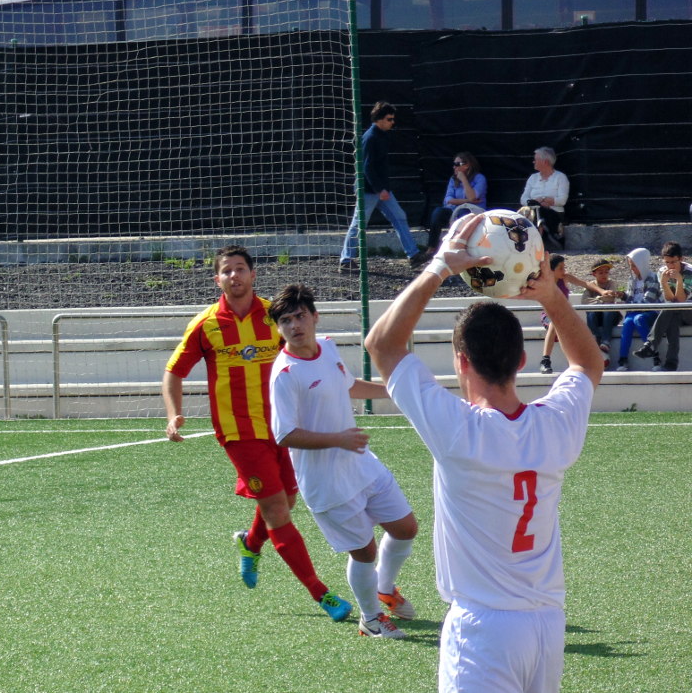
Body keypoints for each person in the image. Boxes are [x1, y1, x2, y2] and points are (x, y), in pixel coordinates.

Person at [364, 213, 603, 693]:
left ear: (461, 361)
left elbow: (382, 345)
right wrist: (551, 295)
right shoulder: (555, 424)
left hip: (483, 629)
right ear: (522, 360)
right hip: (547, 624)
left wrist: (439, 267)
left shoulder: (460, 431)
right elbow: (589, 363)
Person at [162, 245, 352, 621]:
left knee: (284, 502)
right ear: (217, 279)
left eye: (240, 269)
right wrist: (173, 414)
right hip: (239, 432)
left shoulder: (274, 315)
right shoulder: (205, 325)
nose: (234, 275)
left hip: (284, 427)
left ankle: (250, 543)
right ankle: (322, 594)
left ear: (252, 274)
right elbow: (174, 371)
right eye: (227, 271)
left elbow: (303, 353)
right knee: (278, 510)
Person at [268, 283, 418, 639]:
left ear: (315, 316)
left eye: (300, 316)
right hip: (327, 483)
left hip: (361, 465)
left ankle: (384, 588)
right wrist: (338, 439)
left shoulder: (328, 346)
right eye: (285, 321)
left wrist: (394, 391)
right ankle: (371, 619)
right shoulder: (284, 374)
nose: (294, 325)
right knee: (364, 551)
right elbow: (284, 434)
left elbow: (347, 385)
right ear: (278, 328)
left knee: (405, 528)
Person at [339, 101, 426, 274]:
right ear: (379, 119)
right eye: (389, 119)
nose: (392, 122)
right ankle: (346, 260)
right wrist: (380, 189)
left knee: (400, 217)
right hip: (369, 190)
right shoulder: (371, 138)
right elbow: (367, 167)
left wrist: (383, 189)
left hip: (381, 190)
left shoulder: (381, 135)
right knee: (359, 224)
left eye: (392, 119)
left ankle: (413, 255)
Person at [539, 254, 605, 374]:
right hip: (549, 315)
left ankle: (584, 361)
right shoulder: (546, 283)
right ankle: (545, 360)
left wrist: (602, 291)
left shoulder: (565, 278)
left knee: (579, 327)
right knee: (555, 323)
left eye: (564, 267)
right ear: (551, 270)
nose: (564, 271)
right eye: (561, 268)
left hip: (565, 315)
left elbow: (586, 284)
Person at [633, 240, 692, 371]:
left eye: (673, 262)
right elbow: (669, 299)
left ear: (681, 259)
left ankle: (650, 345)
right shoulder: (662, 271)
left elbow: (681, 300)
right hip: (675, 311)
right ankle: (671, 364)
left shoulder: (689, 272)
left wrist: (679, 280)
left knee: (672, 308)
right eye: (667, 262)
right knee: (672, 317)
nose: (670, 266)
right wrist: (664, 283)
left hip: (689, 310)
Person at [424, 151, 487, 255]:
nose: (454, 167)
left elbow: (473, 196)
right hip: (454, 210)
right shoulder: (453, 179)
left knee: (463, 212)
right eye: (454, 164)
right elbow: (448, 199)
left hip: (473, 211)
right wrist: (467, 201)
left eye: (457, 164)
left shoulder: (479, 178)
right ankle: (432, 247)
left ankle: (459, 248)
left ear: (467, 165)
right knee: (438, 212)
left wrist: (464, 179)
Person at [615, 248, 662, 372]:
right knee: (627, 323)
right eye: (630, 265)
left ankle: (655, 356)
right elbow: (630, 298)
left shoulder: (653, 278)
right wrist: (623, 296)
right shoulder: (632, 279)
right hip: (634, 310)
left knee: (639, 319)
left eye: (634, 266)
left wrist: (630, 305)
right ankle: (623, 359)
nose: (632, 269)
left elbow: (648, 302)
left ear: (642, 264)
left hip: (650, 311)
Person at [519, 146, 569, 249]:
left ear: (545, 162)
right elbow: (523, 199)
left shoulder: (560, 177)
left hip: (554, 212)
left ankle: (536, 245)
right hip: (533, 211)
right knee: (531, 212)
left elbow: (562, 200)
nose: (533, 162)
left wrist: (542, 200)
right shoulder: (533, 178)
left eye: (536, 159)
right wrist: (539, 202)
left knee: (539, 213)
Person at [581, 258, 622, 359]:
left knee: (608, 310)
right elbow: (585, 301)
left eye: (606, 272)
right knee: (591, 312)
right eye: (601, 273)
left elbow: (610, 298)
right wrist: (600, 299)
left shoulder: (611, 283)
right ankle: (596, 338)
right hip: (597, 317)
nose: (604, 275)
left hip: (611, 316)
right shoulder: (590, 285)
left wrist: (596, 300)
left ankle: (606, 340)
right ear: (594, 274)